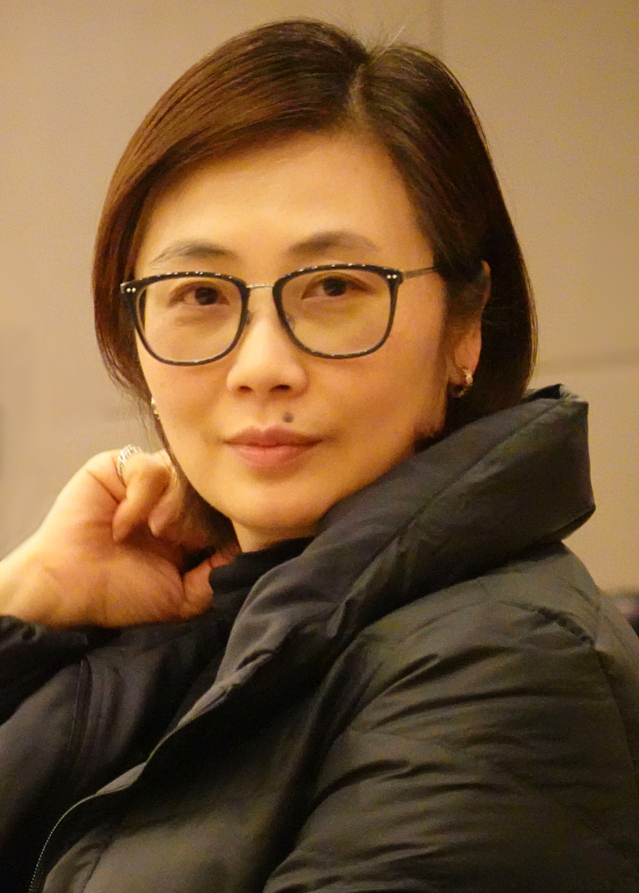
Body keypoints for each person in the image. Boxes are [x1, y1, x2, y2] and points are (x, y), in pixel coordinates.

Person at [1, 18, 638, 893]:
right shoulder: (196, 628)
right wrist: (22, 604)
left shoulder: (507, 664)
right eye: (199, 293)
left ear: (463, 327)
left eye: (335, 285)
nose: (261, 364)